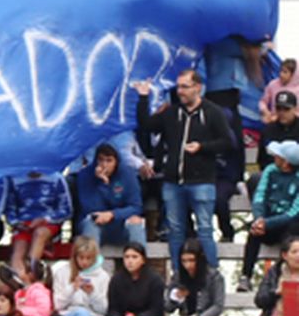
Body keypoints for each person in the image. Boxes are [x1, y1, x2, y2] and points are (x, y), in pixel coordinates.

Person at [134, 70, 233, 268]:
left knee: (205, 230)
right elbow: (146, 125)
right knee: (175, 231)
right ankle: (179, 277)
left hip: (202, 181)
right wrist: (143, 97)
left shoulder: (212, 112)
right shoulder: (172, 113)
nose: (180, 91)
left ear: (198, 87)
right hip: (173, 182)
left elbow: (227, 143)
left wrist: (202, 147)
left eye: (185, 87)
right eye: (178, 87)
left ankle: (211, 275)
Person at [240, 141, 299, 290]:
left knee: (291, 236)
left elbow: (293, 212)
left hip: (289, 225)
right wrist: (259, 219)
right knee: (253, 233)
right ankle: (245, 276)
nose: (275, 157)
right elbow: (260, 196)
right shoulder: (270, 170)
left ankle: (282, 277)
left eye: (278, 156)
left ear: (286, 162)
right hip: (266, 221)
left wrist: (268, 223)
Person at [99, 243, 164, 316]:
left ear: (143, 260)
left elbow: (157, 310)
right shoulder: (117, 279)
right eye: (127, 257)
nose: (130, 261)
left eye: (134, 257)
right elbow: (112, 310)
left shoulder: (155, 280)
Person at [75, 141, 148, 248]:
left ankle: (139, 262)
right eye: (101, 160)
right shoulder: (85, 175)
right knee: (91, 222)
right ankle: (91, 263)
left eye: (109, 161)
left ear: (116, 162)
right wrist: (103, 184)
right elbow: (91, 209)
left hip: (120, 222)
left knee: (136, 222)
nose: (104, 165)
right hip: (96, 223)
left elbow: (136, 207)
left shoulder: (128, 174)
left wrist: (113, 214)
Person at [163, 241, 226, 316]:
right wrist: (176, 298)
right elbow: (168, 308)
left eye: (191, 260)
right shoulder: (177, 277)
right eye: (184, 261)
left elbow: (218, 306)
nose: (188, 265)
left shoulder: (214, 276)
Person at [51, 237, 111, 316]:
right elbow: (56, 305)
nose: (84, 262)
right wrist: (72, 289)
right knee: (80, 313)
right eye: (81, 258)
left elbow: (104, 310)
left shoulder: (103, 276)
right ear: (75, 257)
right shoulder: (62, 272)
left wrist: (92, 294)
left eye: (88, 258)